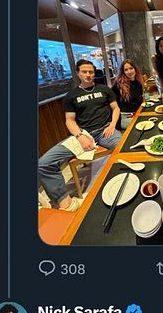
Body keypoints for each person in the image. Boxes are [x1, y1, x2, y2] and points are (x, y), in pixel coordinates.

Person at [38, 59, 121, 211]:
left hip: (104, 131)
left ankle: (122, 184)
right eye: (84, 71)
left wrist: (112, 124)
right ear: (78, 73)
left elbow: (116, 109)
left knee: (126, 147)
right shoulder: (71, 96)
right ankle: (67, 204)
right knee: (44, 163)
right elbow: (69, 121)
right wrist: (80, 136)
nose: (88, 75)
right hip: (82, 134)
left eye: (91, 72)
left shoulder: (104, 89)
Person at [112, 59, 144, 129]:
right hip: (124, 117)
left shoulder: (138, 83)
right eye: (126, 70)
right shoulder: (118, 85)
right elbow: (111, 104)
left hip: (137, 113)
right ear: (123, 72)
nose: (129, 71)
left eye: (131, 68)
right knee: (144, 125)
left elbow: (140, 99)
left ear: (135, 69)